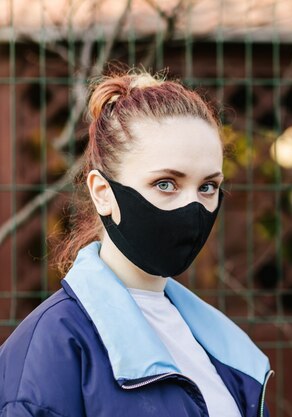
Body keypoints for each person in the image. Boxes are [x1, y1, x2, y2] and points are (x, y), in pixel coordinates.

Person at [0, 70, 272, 417]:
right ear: (103, 193)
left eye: (207, 186)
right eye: (166, 184)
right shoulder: (51, 350)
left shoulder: (226, 349)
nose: (192, 209)